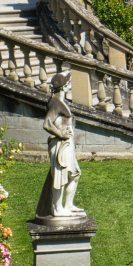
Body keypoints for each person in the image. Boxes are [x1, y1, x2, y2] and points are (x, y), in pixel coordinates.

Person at [36, 71, 85, 221]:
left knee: (74, 173)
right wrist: (60, 134)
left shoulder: (59, 101)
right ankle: (58, 209)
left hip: (66, 143)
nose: (69, 85)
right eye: (67, 83)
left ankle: (68, 205)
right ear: (63, 86)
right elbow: (47, 124)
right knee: (60, 175)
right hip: (60, 144)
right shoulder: (56, 103)